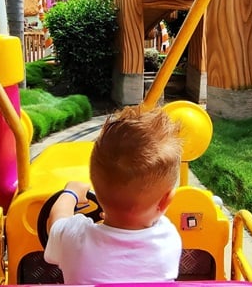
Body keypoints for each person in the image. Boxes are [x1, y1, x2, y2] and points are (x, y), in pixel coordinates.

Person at [44, 106, 183, 284]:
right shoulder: (168, 238)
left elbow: (56, 222)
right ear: (165, 201)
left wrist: (71, 193)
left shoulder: (75, 237)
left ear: (96, 188)